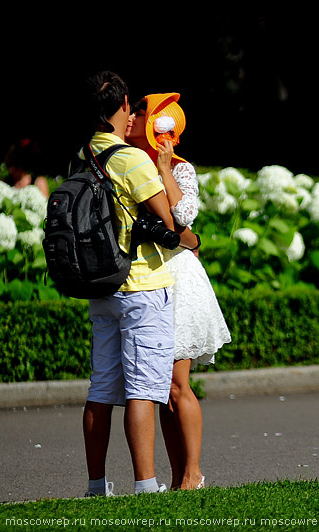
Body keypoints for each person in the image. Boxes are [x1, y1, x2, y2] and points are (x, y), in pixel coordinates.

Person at [80, 71, 200, 497]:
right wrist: (195, 241)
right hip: (142, 284)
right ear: (125, 104)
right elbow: (170, 222)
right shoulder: (131, 160)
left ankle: (97, 486)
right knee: (143, 390)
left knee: (101, 388)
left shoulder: (84, 154)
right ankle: (147, 485)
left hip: (101, 285)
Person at [126, 93, 231, 490]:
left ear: (159, 125)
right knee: (158, 387)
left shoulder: (181, 169)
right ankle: (177, 477)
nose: (132, 116)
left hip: (179, 280)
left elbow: (184, 217)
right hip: (146, 276)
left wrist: (166, 168)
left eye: (140, 112)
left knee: (176, 382)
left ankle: (193, 473)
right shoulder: (128, 162)